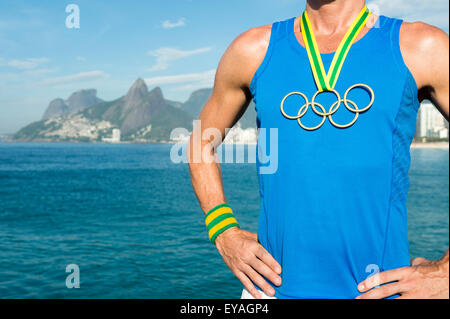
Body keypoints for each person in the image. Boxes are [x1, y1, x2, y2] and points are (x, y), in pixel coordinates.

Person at [188, 0, 449, 299]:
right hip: (270, 292)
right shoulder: (253, 49)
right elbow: (200, 143)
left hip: (378, 293)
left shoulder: (420, 46)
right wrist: (223, 231)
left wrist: (445, 273)